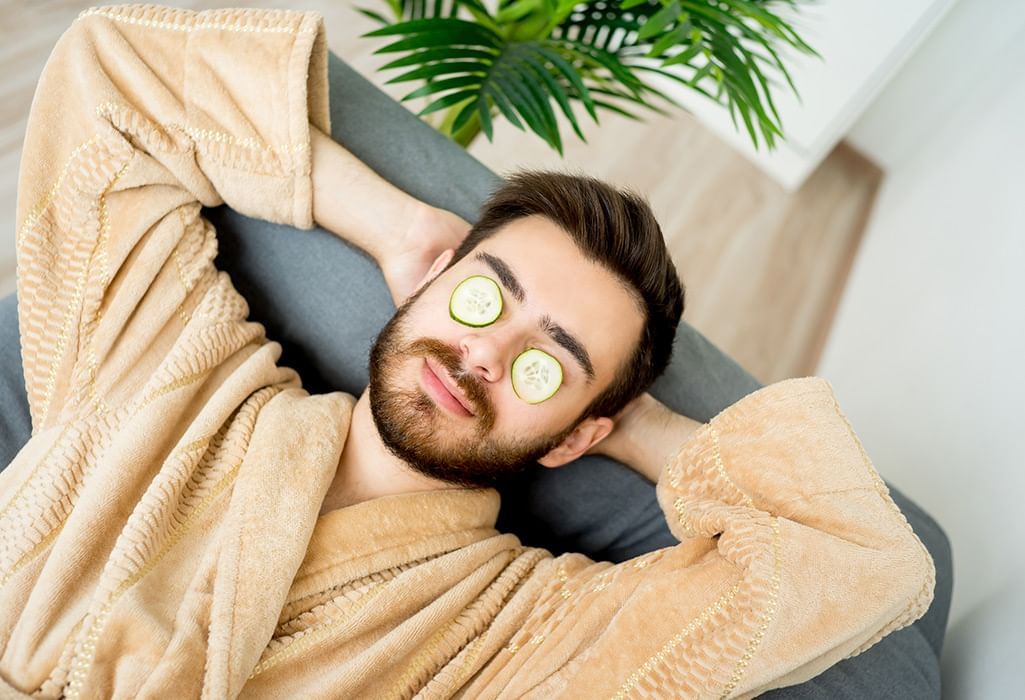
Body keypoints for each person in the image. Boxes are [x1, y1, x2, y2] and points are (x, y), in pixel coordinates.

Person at [0, 5, 934, 698]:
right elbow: (112, 73)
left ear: (574, 434)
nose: (485, 353)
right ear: (435, 280)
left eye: (548, 364)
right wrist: (394, 227)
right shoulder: (179, 367)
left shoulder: (521, 632)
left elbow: (861, 561)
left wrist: (637, 425)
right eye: (485, 296)